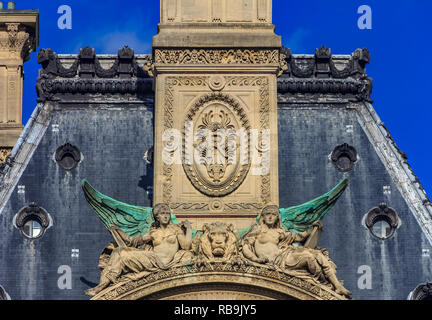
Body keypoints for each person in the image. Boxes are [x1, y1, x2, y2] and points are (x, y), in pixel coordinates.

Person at [85, 203, 193, 297]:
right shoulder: (153, 232)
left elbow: (186, 245)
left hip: (164, 262)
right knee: (118, 252)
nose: (165, 216)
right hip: (152, 259)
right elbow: (132, 240)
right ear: (157, 217)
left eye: (167, 213)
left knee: (121, 253)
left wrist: (188, 229)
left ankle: (102, 286)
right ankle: (102, 286)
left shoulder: (176, 230)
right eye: (162, 213)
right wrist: (117, 229)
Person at [241, 205, 351, 297]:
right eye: (267, 214)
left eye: (273, 214)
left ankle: (337, 286)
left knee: (317, 254)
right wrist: (256, 259)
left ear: (277, 217)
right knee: (308, 257)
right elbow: (245, 246)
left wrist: (312, 229)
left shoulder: (280, 232)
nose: (270, 217)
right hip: (276, 261)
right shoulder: (257, 230)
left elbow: (298, 237)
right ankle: (326, 283)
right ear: (263, 217)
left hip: (284, 254)